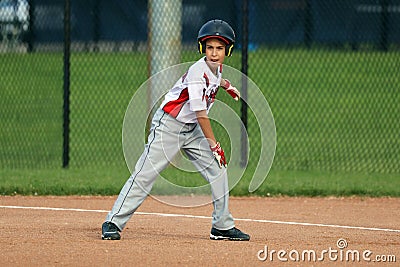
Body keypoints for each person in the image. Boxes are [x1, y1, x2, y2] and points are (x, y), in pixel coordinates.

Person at [102, 19, 250, 241]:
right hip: (169, 126)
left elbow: (214, 79)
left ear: (227, 51)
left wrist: (226, 85)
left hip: (191, 129)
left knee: (218, 170)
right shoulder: (197, 71)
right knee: (145, 174)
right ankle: (113, 221)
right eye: (209, 47)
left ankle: (221, 225)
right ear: (202, 48)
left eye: (220, 48)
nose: (214, 52)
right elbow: (201, 114)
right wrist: (214, 144)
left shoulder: (215, 68)